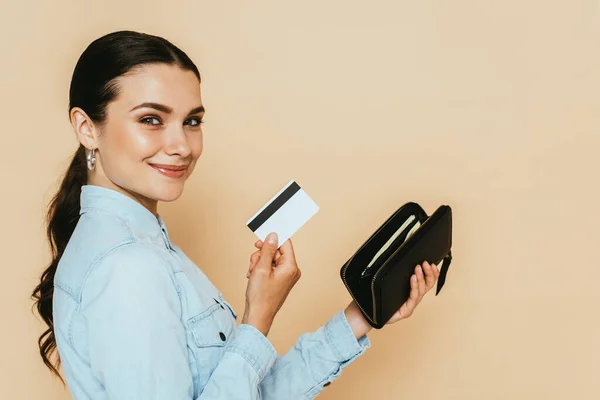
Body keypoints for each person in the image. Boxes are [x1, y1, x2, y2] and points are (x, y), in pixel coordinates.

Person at [31, 30, 440, 399]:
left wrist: (361, 314)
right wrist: (258, 317)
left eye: (192, 121)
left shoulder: (147, 248)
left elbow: (252, 394)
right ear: (87, 128)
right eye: (151, 119)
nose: (182, 145)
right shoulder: (127, 266)